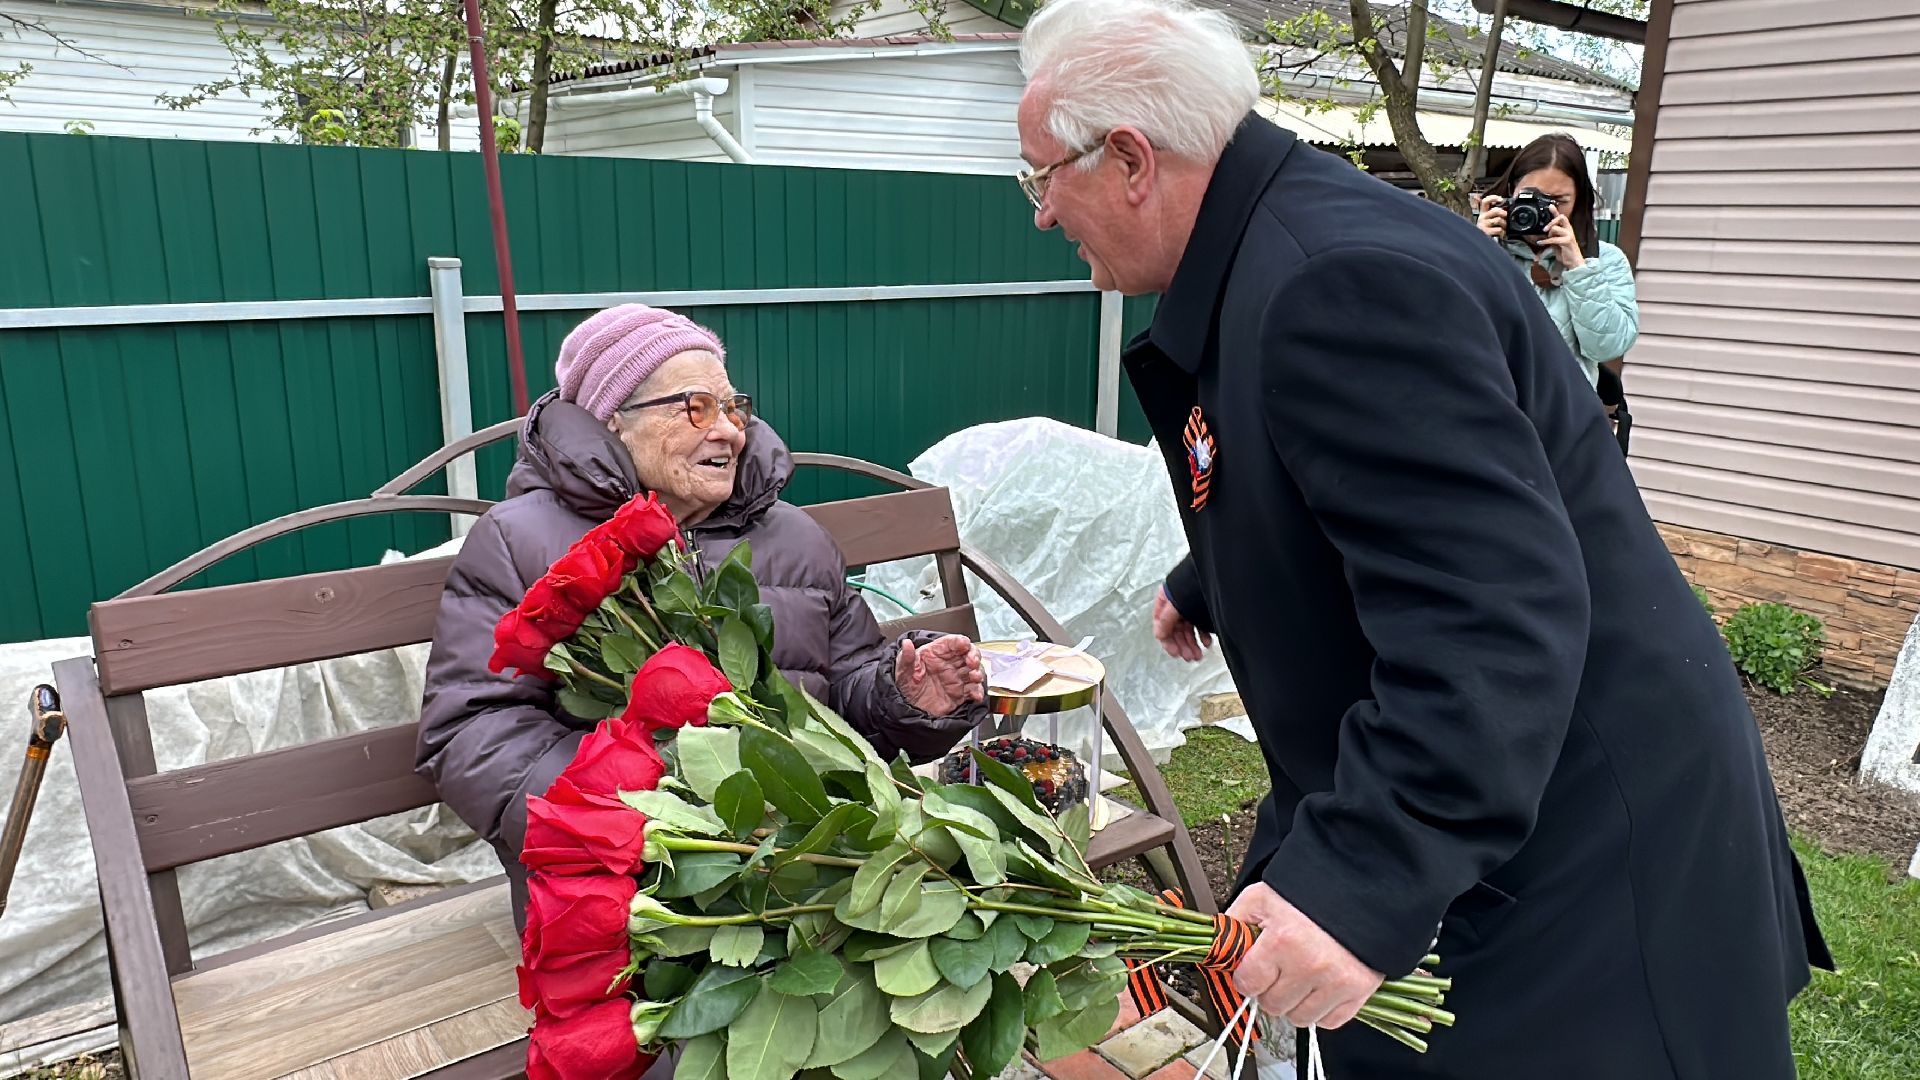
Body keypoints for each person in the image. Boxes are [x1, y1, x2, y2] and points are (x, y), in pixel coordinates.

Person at [1016, 1, 1828, 1076]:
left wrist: (1361, 881)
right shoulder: (1282, 246)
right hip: (1516, 801)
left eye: (1041, 178)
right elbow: (1369, 490)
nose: (1038, 215)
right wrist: (1213, 572)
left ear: (1129, 158)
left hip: (1576, 837)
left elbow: (1490, 614)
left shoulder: (1333, 282)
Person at [416, 304, 987, 933]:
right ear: (614, 421)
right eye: (695, 407)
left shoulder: (795, 538)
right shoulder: (519, 540)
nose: (730, 433)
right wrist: (640, 804)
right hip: (630, 890)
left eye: (732, 407)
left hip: (803, 872)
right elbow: (471, 730)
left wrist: (902, 694)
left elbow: (845, 680)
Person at [1474, 133, 1640, 391]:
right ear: (1511, 192)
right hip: (1489, 406)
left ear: (1579, 199)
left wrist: (1579, 268)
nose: (1544, 210)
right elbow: (1442, 327)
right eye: (1531, 197)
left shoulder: (1605, 259)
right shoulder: (1482, 247)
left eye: (1558, 201)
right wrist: (1475, 248)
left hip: (1562, 417)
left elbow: (1608, 347)